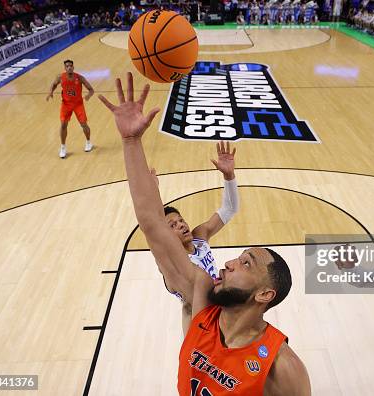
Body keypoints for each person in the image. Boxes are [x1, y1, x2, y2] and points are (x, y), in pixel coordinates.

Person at [98, 73, 311, 395]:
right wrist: (131, 143)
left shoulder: (283, 366)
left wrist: (229, 178)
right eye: (238, 258)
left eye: (246, 263)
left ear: (265, 294)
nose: (229, 263)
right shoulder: (199, 292)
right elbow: (151, 221)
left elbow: (223, 212)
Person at [150, 141, 240, 333]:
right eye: (172, 225)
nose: (181, 224)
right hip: (200, 326)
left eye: (181, 220)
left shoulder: (199, 236)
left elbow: (229, 209)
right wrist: (153, 194)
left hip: (222, 310)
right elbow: (154, 226)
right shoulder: (170, 263)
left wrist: (229, 176)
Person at [46, 60, 95, 159]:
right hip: (66, 104)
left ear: (73, 67)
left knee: (84, 124)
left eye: (70, 66)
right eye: (67, 66)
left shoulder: (79, 78)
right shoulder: (60, 77)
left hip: (78, 104)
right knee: (63, 124)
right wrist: (50, 92)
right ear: (65, 68)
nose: (69, 67)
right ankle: (63, 147)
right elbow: (54, 84)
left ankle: (89, 142)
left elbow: (91, 89)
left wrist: (88, 96)